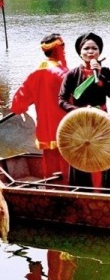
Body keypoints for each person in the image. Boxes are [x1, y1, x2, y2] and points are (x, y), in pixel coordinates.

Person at [58, 32, 110, 189]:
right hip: (81, 122)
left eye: (94, 48)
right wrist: (79, 111)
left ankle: (107, 195)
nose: (90, 52)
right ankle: (82, 194)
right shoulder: (72, 74)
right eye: (86, 48)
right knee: (81, 155)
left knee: (105, 153)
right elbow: (62, 100)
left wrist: (99, 75)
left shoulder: (105, 72)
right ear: (80, 52)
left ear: (99, 52)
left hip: (102, 121)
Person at [10, 33, 70, 183]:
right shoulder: (64, 74)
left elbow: (17, 104)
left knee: (50, 165)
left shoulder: (34, 73)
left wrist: (23, 108)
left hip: (44, 129)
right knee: (66, 165)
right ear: (59, 49)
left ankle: (51, 192)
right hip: (65, 127)